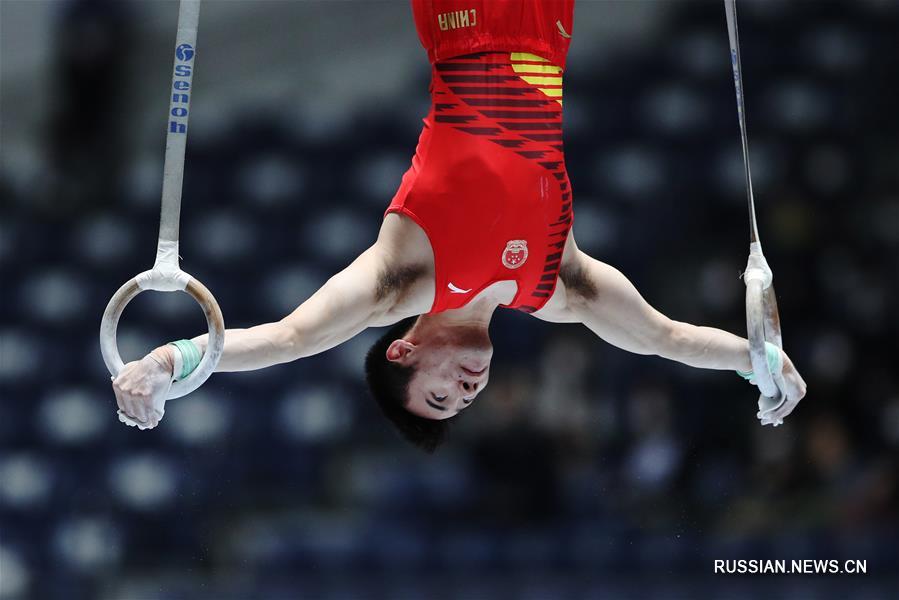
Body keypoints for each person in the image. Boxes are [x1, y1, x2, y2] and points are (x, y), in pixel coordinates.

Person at [112, 0, 806, 452]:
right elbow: (664, 337)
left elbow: (288, 339)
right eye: (460, 404)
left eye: (439, 394)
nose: (467, 391)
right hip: (546, 23)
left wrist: (165, 364)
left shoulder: (398, 283)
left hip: (464, 22)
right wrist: (760, 362)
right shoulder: (554, 288)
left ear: (402, 354)